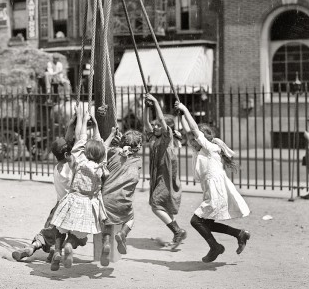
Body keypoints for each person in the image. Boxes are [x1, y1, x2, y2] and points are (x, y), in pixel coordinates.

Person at [176, 101, 250, 263]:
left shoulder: (209, 148)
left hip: (216, 190)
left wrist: (185, 108)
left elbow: (194, 130)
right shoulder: (198, 150)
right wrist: (180, 115)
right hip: (211, 190)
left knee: (196, 221)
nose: (189, 142)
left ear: (200, 139)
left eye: (192, 140)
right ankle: (239, 234)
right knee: (206, 223)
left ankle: (215, 247)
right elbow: (189, 130)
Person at [49, 107, 111, 271]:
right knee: (81, 232)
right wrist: (95, 124)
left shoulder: (77, 163)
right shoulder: (101, 167)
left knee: (60, 227)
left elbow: (80, 138)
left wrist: (83, 120)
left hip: (72, 199)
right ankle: (72, 244)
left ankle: (57, 250)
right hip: (89, 202)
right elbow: (101, 146)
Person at [11, 133, 87, 262]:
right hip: (74, 207)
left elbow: (67, 146)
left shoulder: (57, 169)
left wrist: (70, 125)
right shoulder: (72, 168)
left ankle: (32, 247)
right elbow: (79, 145)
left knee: (49, 232)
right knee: (79, 235)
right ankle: (61, 248)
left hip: (59, 207)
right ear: (67, 154)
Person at [143, 94, 187, 251]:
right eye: (155, 126)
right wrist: (146, 107)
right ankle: (177, 235)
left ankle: (178, 231)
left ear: (167, 129)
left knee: (155, 206)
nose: (155, 127)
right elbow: (146, 123)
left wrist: (155, 102)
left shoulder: (167, 137)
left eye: (158, 126)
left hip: (166, 176)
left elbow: (162, 120)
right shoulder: (153, 137)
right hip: (157, 176)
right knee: (165, 207)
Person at [101, 128, 143, 259]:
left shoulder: (113, 153)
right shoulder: (138, 162)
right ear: (139, 146)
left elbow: (104, 150)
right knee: (130, 219)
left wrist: (116, 144)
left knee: (107, 224)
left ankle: (106, 244)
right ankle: (122, 234)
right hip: (124, 201)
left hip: (106, 198)